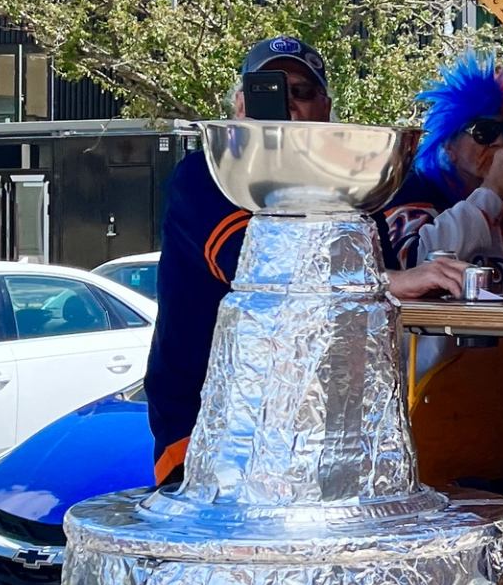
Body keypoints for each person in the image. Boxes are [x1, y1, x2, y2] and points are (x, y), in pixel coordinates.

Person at [144, 36, 475, 485]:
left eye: (301, 92)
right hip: (212, 430)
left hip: (324, 431)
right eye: (269, 89)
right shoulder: (207, 174)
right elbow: (257, 268)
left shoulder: (349, 185)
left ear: (326, 108)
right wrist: (391, 281)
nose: (289, 104)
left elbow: (382, 277)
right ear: (240, 104)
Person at [390, 53, 503, 290]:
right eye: (484, 131)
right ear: (450, 147)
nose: (501, 142)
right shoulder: (413, 190)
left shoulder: (502, 212)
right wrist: (493, 189)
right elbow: (415, 263)